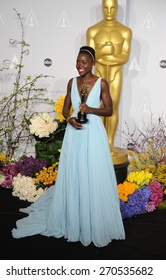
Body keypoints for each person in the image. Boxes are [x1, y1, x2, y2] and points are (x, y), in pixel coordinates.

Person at [12, 46, 125, 247]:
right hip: (75, 134)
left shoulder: (102, 83)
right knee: (75, 172)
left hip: (93, 134)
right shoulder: (72, 83)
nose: (80, 66)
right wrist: (70, 119)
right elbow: (65, 110)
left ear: (92, 63)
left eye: (84, 62)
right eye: (78, 62)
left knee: (91, 172)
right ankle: (74, 216)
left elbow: (109, 110)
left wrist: (89, 109)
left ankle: (92, 219)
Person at [87, 0, 132, 154]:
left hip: (115, 73)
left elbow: (124, 57)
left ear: (117, 8)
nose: (109, 10)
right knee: (97, 106)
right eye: (105, 7)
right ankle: (98, 141)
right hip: (97, 73)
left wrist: (103, 55)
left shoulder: (125, 31)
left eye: (112, 7)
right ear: (101, 8)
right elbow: (91, 57)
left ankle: (110, 142)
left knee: (113, 107)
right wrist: (107, 50)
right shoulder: (93, 30)